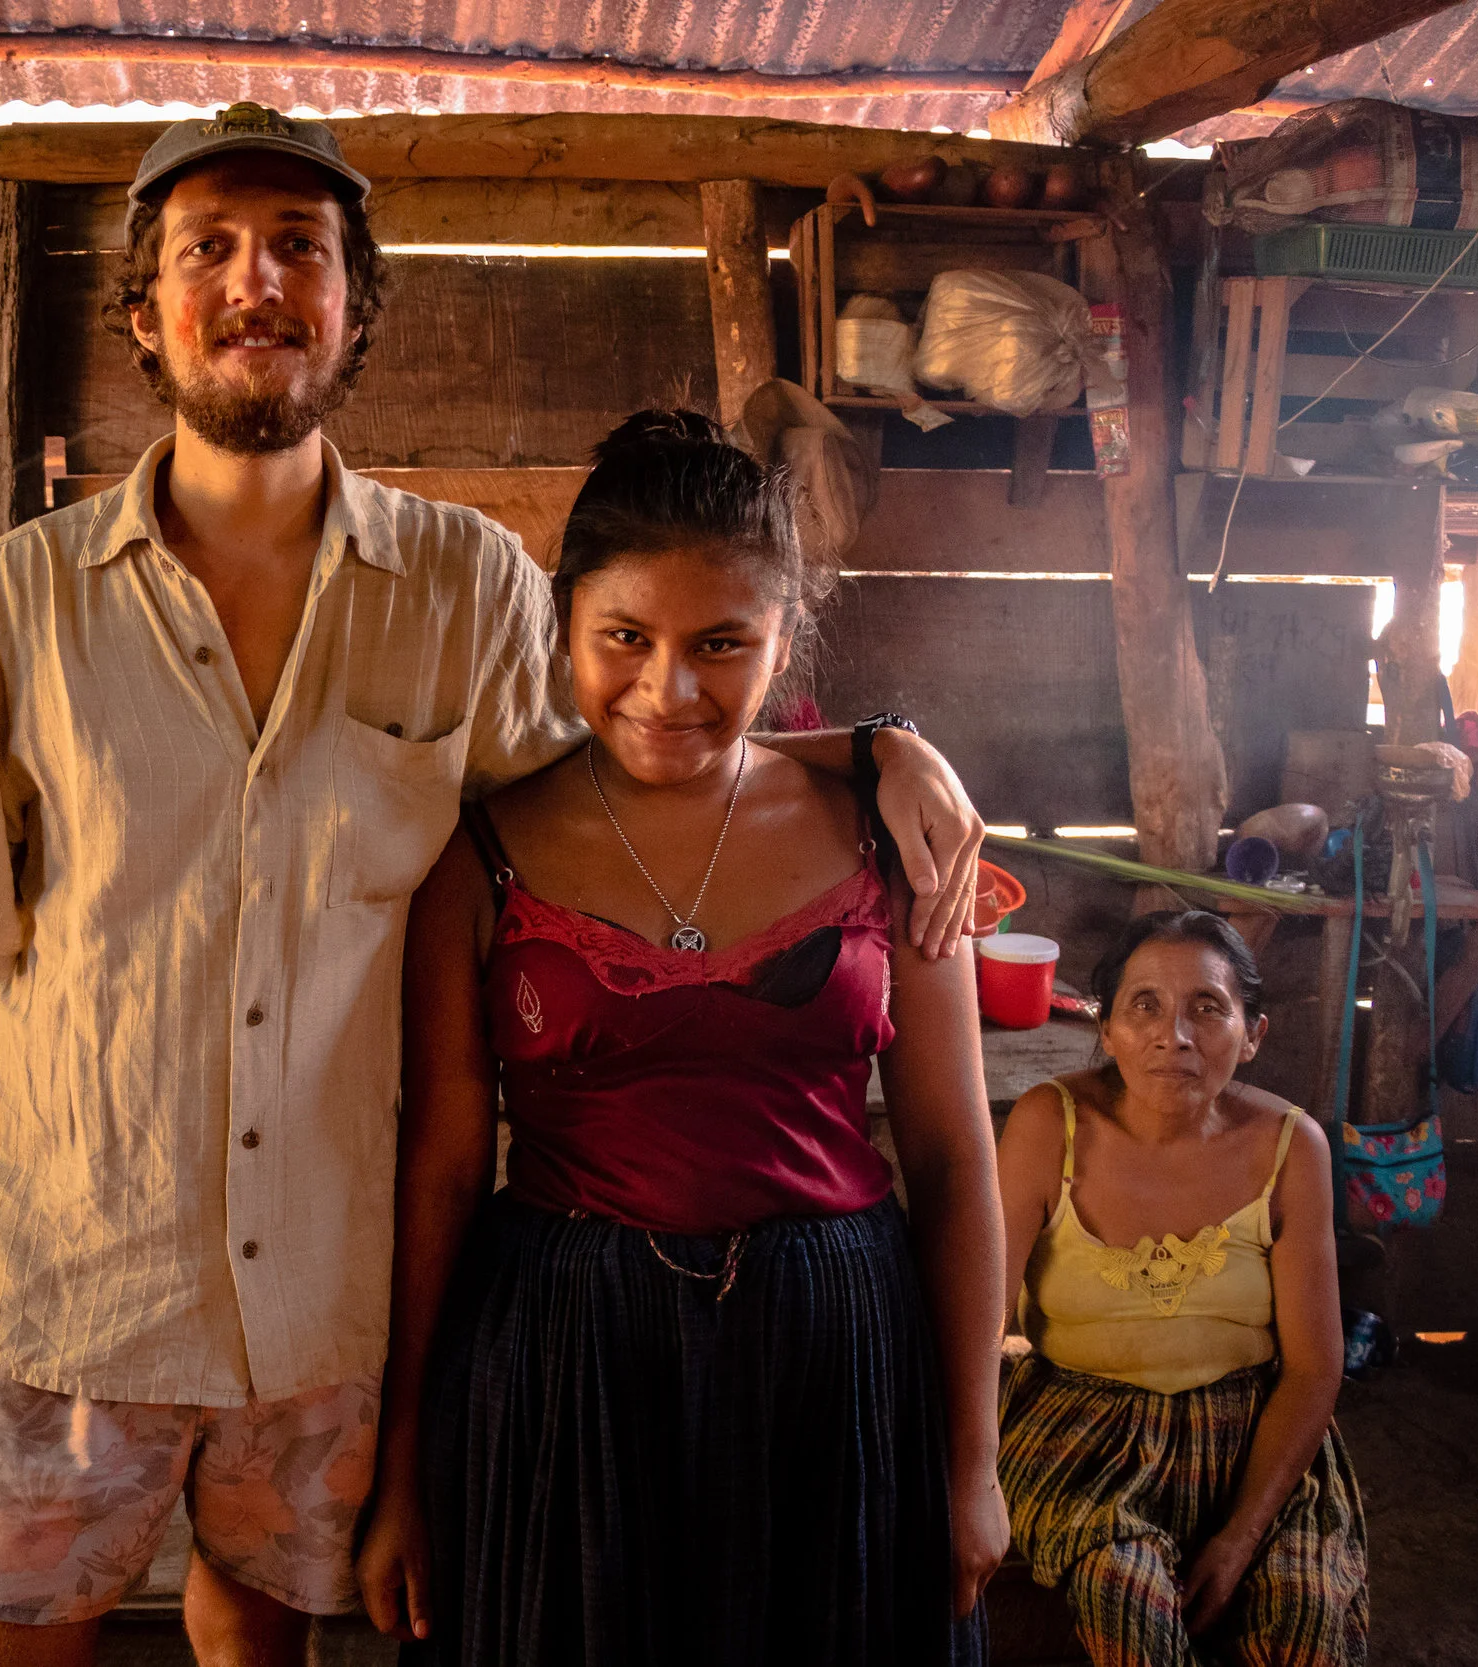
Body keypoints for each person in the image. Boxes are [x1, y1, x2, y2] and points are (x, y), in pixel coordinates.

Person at [0, 106, 989, 1667]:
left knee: (253, 1636)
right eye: (210, 251)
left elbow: (647, 733)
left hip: (319, 1298)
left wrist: (876, 744)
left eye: (301, 252)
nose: (258, 283)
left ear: (354, 308)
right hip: (68, 1269)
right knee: (6, 1644)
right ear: (147, 312)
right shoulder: (27, 599)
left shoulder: (462, 587)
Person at [359, 411, 1008, 1665]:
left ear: (782, 640)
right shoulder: (478, 853)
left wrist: (969, 1458)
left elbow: (954, 1157)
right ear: (567, 628)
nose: (670, 689)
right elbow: (440, 1171)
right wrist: (406, 1469)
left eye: (722, 643)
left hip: (839, 1358)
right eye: (626, 639)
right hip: (564, 1362)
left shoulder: (894, 837)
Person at [995, 912, 1368, 1667]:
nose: (1175, 1035)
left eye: (1207, 1006)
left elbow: (1313, 1369)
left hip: (1253, 1435)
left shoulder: (1291, 1146)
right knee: (1124, 1597)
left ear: (1252, 1032)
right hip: (1080, 1433)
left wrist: (1240, 1535)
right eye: (1145, 1006)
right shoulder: (1049, 1125)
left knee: (1307, 1622)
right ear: (1106, 1029)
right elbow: (979, 1328)